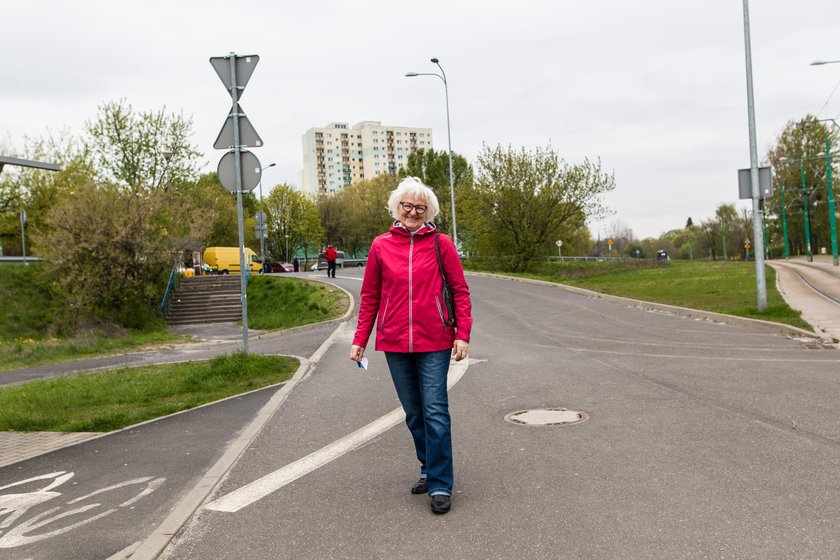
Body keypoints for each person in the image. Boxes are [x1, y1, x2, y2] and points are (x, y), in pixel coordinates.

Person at [350, 176, 472, 515]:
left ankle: (440, 484)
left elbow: (460, 291)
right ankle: (427, 467)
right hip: (395, 341)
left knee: (435, 411)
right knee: (414, 413)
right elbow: (371, 296)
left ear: (429, 211)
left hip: (435, 339)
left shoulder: (441, 244)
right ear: (396, 207)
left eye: (420, 207)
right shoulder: (380, 246)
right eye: (407, 205)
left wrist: (463, 333)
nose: (413, 212)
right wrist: (360, 339)